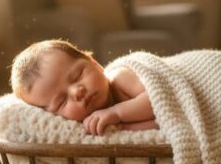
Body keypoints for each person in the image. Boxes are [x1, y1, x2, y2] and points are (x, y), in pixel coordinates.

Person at [10, 39, 159, 135]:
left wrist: (117, 113)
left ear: (94, 64)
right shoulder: (84, 128)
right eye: (61, 101)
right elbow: (156, 126)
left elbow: (158, 99)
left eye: (77, 76)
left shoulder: (120, 78)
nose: (76, 92)